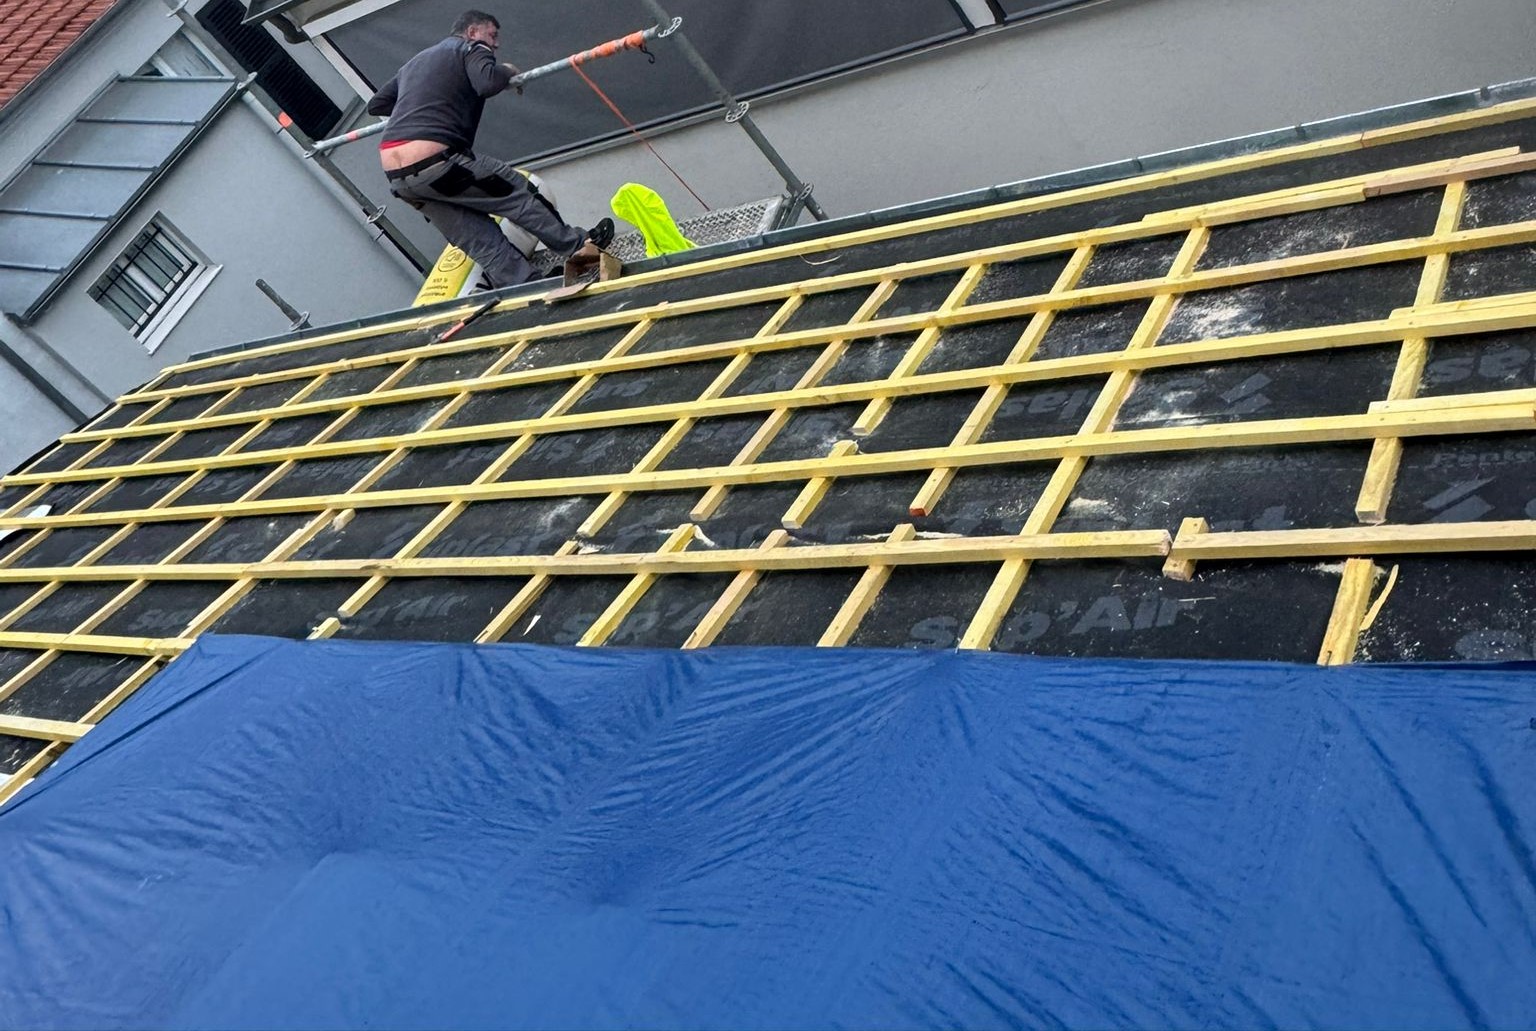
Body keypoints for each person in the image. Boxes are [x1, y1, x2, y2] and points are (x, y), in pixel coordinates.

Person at [367, 10, 614, 287]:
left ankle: (525, 285)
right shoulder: (470, 48)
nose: (496, 43)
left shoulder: (413, 64)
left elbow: (376, 105)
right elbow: (486, 82)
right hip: (438, 162)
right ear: (472, 32)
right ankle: (579, 245)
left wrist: (422, 101)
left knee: (478, 237)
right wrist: (508, 70)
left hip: (399, 178)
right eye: (492, 35)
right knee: (519, 193)